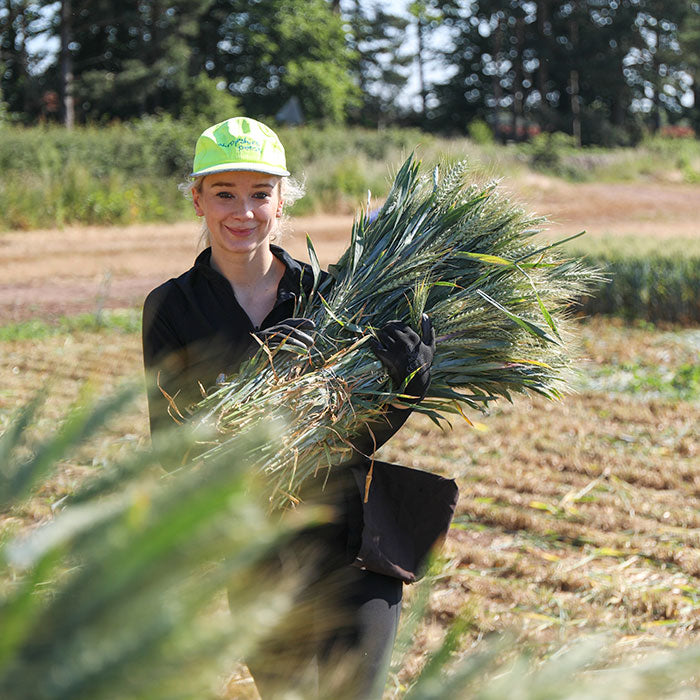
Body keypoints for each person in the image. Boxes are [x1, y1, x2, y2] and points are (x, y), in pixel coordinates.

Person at [141, 116, 458, 699]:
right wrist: (262, 383)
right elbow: (174, 449)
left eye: (260, 194)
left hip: (351, 539)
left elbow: (350, 437)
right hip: (258, 552)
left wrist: (404, 392)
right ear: (198, 200)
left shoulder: (330, 295)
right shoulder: (172, 308)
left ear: (282, 201)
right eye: (224, 193)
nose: (244, 211)